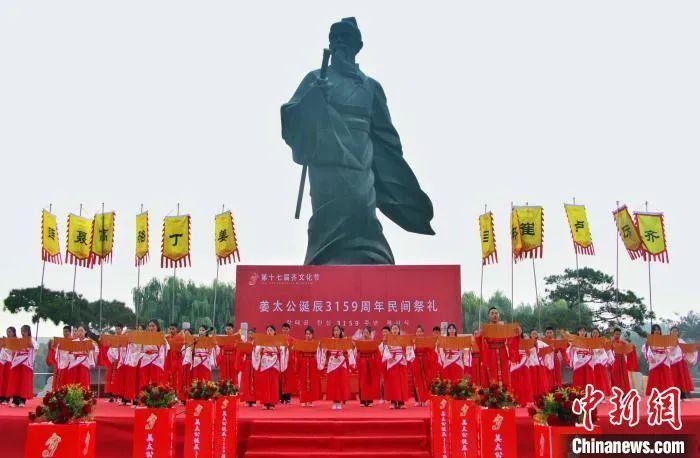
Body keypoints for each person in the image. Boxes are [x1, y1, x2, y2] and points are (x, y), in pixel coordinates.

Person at [476, 307, 520, 387]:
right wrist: (480, 335)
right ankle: (493, 392)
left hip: (503, 352)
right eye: (492, 313)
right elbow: (478, 341)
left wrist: (517, 333)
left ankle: (505, 391)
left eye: (496, 313)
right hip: (490, 353)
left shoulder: (503, 327)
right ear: (488, 316)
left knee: (505, 372)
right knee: (491, 373)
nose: (494, 315)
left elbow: (511, 339)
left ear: (499, 315)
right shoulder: (485, 328)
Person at [319, 325, 355, 410]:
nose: (336, 332)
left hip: (341, 362)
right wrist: (321, 347)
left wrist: (352, 348)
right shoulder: (329, 341)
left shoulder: (344, 341)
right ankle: (334, 401)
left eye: (337, 330)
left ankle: (339, 401)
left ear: (340, 332)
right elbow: (323, 351)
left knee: (341, 382)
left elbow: (350, 351)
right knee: (332, 382)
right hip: (332, 363)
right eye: (334, 330)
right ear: (332, 332)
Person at [252, 325, 288, 410]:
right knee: (264, 383)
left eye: (271, 330)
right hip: (265, 362)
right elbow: (256, 350)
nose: (269, 332)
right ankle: (265, 402)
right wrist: (255, 346)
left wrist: (284, 348)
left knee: (273, 383)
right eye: (268, 330)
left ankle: (272, 403)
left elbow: (283, 350)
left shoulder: (278, 340)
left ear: (274, 332)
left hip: (274, 362)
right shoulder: (262, 340)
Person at [382, 323, 414, 409]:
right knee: (392, 383)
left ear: (399, 330)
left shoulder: (403, 339)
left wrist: (408, 353)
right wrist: (389, 357)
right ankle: (393, 402)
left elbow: (408, 348)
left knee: (401, 382)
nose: (395, 330)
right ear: (391, 331)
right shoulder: (388, 339)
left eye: (396, 329)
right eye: (393, 329)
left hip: (401, 362)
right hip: (392, 362)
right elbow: (385, 349)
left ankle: (401, 402)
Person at [6, 325, 38, 406]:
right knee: (15, 382)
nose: (23, 333)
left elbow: (35, 347)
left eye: (24, 331)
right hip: (17, 363)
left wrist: (29, 343)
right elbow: (13, 350)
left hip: (26, 364)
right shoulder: (19, 340)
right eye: (22, 331)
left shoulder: (32, 340)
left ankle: (22, 400)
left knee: (24, 383)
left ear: (28, 331)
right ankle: (15, 400)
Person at [65, 325, 99, 391]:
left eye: (81, 331)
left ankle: (85, 394)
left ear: (85, 332)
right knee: (75, 380)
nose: (80, 332)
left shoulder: (90, 342)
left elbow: (96, 351)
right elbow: (69, 353)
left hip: (85, 363)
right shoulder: (73, 342)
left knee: (84, 380)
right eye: (78, 331)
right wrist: (72, 354)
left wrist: (93, 348)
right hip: (75, 363)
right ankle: (74, 394)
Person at [410, 325, 437, 406]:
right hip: (416, 362)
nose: (419, 333)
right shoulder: (413, 341)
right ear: (416, 333)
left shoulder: (426, 341)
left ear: (423, 332)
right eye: (418, 331)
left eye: (420, 331)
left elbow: (431, 351)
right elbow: (410, 351)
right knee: (417, 380)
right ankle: (418, 400)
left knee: (425, 381)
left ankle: (425, 400)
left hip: (425, 362)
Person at [643, 324, 674, 395]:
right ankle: (655, 394)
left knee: (665, 377)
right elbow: (647, 349)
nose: (657, 331)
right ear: (652, 331)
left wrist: (667, 350)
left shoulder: (664, 339)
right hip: (654, 360)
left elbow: (668, 349)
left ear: (660, 331)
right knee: (655, 377)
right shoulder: (650, 339)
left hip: (664, 359)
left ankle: (666, 394)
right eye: (655, 330)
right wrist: (651, 356)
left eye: (658, 329)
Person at [295, 326, 322, 407]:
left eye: (309, 334)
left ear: (312, 335)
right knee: (303, 381)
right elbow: (298, 353)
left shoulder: (316, 343)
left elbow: (319, 354)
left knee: (312, 381)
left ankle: (310, 400)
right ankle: (303, 400)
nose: (308, 335)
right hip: (303, 362)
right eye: (306, 334)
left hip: (312, 363)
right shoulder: (302, 343)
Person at [138, 320, 168, 388]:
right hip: (145, 359)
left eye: (153, 326)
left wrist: (158, 358)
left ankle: (155, 393)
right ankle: (144, 393)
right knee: (144, 380)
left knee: (155, 380)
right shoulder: (144, 337)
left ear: (157, 327)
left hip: (156, 360)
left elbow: (164, 350)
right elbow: (140, 349)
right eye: (150, 326)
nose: (151, 328)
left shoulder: (161, 337)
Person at [356, 326, 381, 407]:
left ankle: (370, 400)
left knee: (370, 382)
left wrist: (374, 361)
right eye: (364, 332)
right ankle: (362, 401)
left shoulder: (373, 342)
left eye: (367, 332)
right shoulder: (360, 342)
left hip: (371, 363)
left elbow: (377, 353)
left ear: (370, 334)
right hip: (362, 363)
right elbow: (357, 353)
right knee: (362, 382)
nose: (365, 334)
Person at [669, 326, 696, 399]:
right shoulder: (667, 341)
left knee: (681, 378)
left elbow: (687, 350)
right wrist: (671, 347)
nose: (674, 332)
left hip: (680, 363)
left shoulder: (681, 341)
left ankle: (682, 394)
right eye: (673, 331)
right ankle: (671, 394)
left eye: (676, 331)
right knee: (672, 378)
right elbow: (665, 350)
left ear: (678, 333)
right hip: (670, 362)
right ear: (670, 332)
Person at [608, 327, 638, 392]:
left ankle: (624, 391)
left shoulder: (622, 343)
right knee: (615, 376)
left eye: (619, 334)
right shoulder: (610, 342)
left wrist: (632, 347)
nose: (618, 335)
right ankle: (616, 391)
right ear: (613, 334)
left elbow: (627, 349)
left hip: (622, 361)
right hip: (614, 361)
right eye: (616, 334)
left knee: (623, 376)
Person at [568, 326, 595, 391]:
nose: (582, 332)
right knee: (579, 378)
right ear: (578, 332)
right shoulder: (574, 341)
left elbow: (592, 351)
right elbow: (569, 351)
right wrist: (572, 348)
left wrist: (590, 352)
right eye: (580, 331)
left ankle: (588, 392)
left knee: (587, 378)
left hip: (587, 362)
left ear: (586, 332)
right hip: (578, 362)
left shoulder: (589, 341)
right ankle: (578, 393)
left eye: (584, 331)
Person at [47, 326, 72, 392]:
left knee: (69, 381)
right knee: (62, 381)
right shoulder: (60, 342)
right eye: (64, 332)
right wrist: (56, 348)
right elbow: (57, 355)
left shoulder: (73, 341)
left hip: (71, 364)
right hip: (62, 364)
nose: (65, 333)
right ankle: (60, 393)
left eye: (66, 331)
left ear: (70, 332)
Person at [510, 333, 533, 406]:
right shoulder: (510, 342)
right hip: (515, 363)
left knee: (525, 382)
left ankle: (526, 400)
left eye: (519, 330)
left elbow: (529, 353)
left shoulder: (525, 341)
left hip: (524, 364)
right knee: (515, 381)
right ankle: (515, 400)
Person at [590, 329, 612, 396]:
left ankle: (602, 393)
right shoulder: (588, 342)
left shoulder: (603, 342)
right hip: (592, 364)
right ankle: (593, 394)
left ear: (599, 334)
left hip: (601, 363)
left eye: (596, 333)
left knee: (602, 379)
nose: (595, 334)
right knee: (593, 379)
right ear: (591, 334)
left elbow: (608, 351)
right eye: (593, 332)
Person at [237, 331, 256, 407]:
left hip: (255, 363)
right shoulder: (246, 343)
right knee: (246, 381)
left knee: (254, 381)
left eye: (252, 333)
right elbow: (241, 353)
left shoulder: (257, 344)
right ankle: (247, 399)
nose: (250, 335)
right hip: (247, 363)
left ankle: (253, 400)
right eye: (249, 333)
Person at [279, 322, 296, 404]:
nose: (285, 330)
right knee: (280, 379)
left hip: (289, 362)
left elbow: (294, 350)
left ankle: (287, 397)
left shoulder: (292, 339)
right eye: (284, 329)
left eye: (286, 329)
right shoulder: (278, 338)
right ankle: (280, 397)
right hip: (280, 362)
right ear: (281, 329)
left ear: (289, 330)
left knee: (288, 380)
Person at [0, 327, 17, 405]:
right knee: (2, 380)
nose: (8, 333)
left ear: (13, 333)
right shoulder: (4, 340)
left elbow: (15, 352)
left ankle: (6, 398)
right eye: (7, 332)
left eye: (10, 332)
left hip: (10, 363)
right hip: (2, 362)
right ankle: (1, 397)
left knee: (7, 380)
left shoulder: (16, 341)